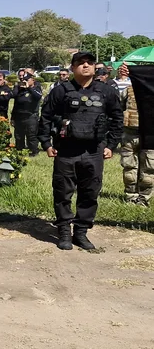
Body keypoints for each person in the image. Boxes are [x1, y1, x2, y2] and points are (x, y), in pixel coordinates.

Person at [38, 51, 124, 251]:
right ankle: (64, 232)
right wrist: (46, 144)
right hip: (66, 150)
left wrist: (111, 145)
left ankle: (81, 232)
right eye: (80, 63)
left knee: (90, 192)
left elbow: (117, 119)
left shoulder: (106, 92)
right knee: (62, 192)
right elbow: (46, 117)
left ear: (95, 67)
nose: (85, 66)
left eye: (89, 63)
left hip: (94, 151)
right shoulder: (61, 91)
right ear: (72, 67)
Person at [117, 64, 153, 206]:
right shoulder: (128, 91)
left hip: (149, 135)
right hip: (130, 134)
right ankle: (132, 196)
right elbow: (118, 110)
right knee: (130, 169)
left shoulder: (128, 90)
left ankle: (142, 198)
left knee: (148, 171)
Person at [10, 72, 42, 156]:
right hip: (19, 116)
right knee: (19, 135)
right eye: (23, 80)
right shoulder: (20, 90)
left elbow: (38, 96)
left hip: (31, 116)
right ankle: (19, 150)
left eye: (27, 80)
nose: (24, 81)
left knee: (31, 135)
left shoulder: (36, 88)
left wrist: (29, 88)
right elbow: (15, 103)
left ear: (32, 80)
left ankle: (33, 151)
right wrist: (12, 117)